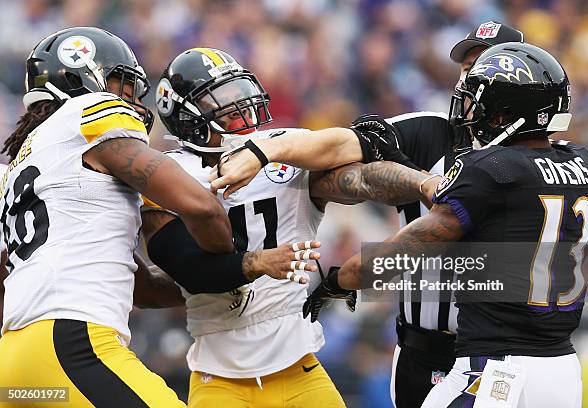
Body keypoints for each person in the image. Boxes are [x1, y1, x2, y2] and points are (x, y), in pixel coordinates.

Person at [211, 20, 525, 407]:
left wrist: (349, 276)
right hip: (421, 345)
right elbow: (340, 144)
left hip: (504, 349)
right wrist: (265, 151)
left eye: (483, 65)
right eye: (466, 67)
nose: (469, 78)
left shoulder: (535, 155)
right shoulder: (430, 131)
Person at [143, 47, 432, 408]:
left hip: (301, 369)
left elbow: (358, 162)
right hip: (219, 377)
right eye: (222, 100)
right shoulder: (167, 175)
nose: (241, 108)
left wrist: (422, 183)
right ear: (186, 115)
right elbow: (188, 267)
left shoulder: (282, 148)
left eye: (239, 94)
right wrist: (259, 262)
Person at [337, 42, 588, 408]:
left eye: (479, 101)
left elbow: (400, 255)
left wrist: (338, 280)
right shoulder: (585, 164)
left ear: (503, 112)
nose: (471, 110)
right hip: (561, 371)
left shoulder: (491, 169)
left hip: (497, 368)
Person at [0, 27, 238, 408]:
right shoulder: (86, 113)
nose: (131, 101)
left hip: (14, 366)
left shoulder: (21, 166)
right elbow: (201, 207)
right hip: (73, 343)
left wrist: (213, 286)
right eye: (123, 87)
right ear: (83, 74)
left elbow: (140, 289)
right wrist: (235, 261)